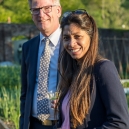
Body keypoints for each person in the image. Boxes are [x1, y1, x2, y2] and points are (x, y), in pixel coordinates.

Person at [55, 9, 129, 129]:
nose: (71, 43)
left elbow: (120, 123)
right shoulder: (72, 70)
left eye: (77, 37)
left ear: (91, 37)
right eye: (66, 38)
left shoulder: (103, 69)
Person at [19, 0, 62, 129]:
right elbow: (25, 92)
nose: (41, 14)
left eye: (47, 8)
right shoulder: (28, 47)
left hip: (63, 123)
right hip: (34, 124)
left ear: (58, 11)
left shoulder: (71, 46)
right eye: (35, 10)